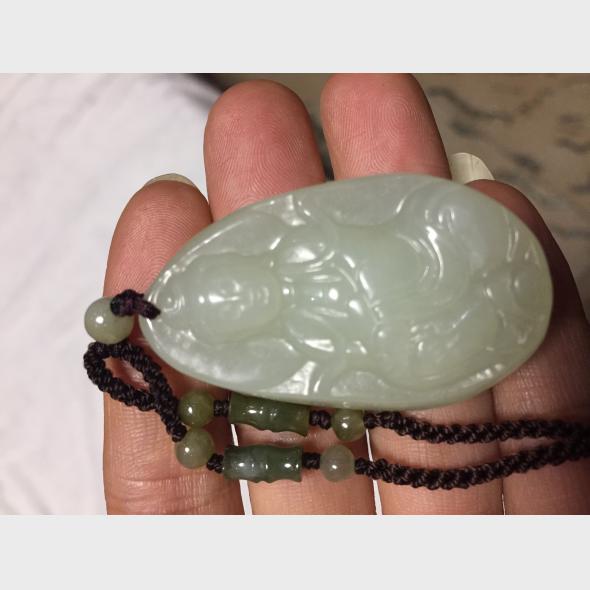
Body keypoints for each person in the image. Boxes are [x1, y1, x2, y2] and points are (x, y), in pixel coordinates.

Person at [102, 74, 590, 514]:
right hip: (426, 322)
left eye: (229, 287)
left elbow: (374, 224)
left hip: (430, 257)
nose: (240, 299)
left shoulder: (301, 245)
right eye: (232, 313)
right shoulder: (304, 344)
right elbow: (383, 355)